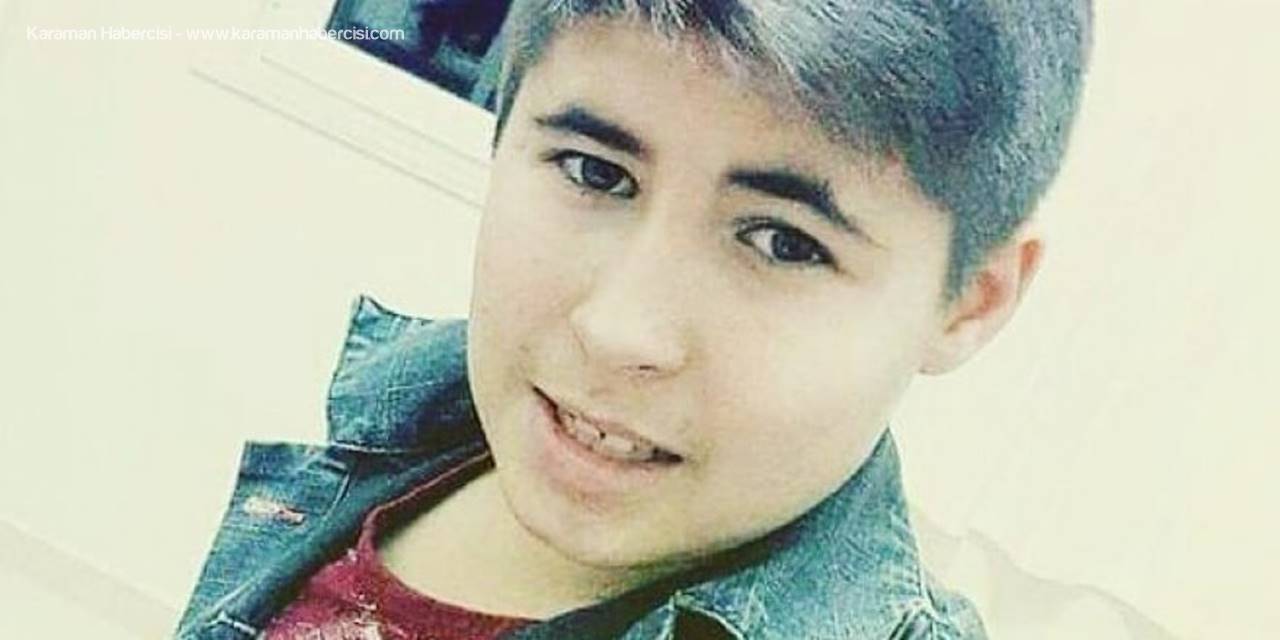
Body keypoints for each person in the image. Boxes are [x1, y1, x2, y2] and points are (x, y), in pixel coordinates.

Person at [176, 0, 1092, 638]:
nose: (620, 330)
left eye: (783, 242)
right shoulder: (410, 433)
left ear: (970, 301)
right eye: (595, 172)